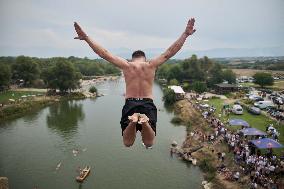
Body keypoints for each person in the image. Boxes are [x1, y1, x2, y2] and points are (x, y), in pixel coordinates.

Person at [74, 18, 196, 148]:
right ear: (144, 58)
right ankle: (144, 122)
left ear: (133, 58)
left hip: (130, 103)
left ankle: (133, 121)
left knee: (128, 143)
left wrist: (86, 38)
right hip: (147, 103)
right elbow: (169, 52)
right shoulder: (151, 65)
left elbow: (104, 54)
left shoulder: (127, 66)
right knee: (149, 143)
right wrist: (185, 34)